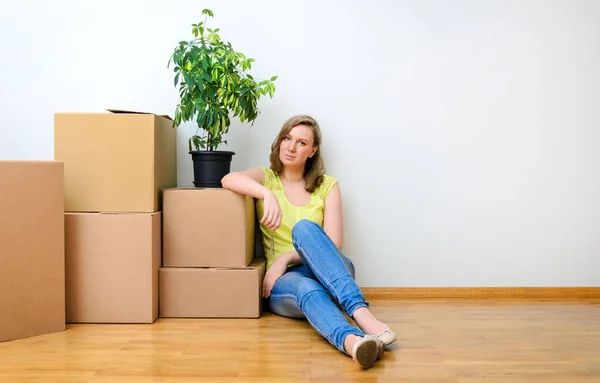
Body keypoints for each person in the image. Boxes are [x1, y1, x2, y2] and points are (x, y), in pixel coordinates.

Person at [221, 115, 396, 369]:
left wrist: (285, 257)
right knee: (306, 288)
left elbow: (334, 245)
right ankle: (355, 343)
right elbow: (228, 179)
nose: (291, 147)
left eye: (301, 143)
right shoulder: (266, 178)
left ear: (313, 151)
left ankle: (362, 314)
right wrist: (265, 194)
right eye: (287, 138)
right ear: (280, 141)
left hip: (332, 272)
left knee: (304, 229)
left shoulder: (328, 186)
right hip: (287, 283)